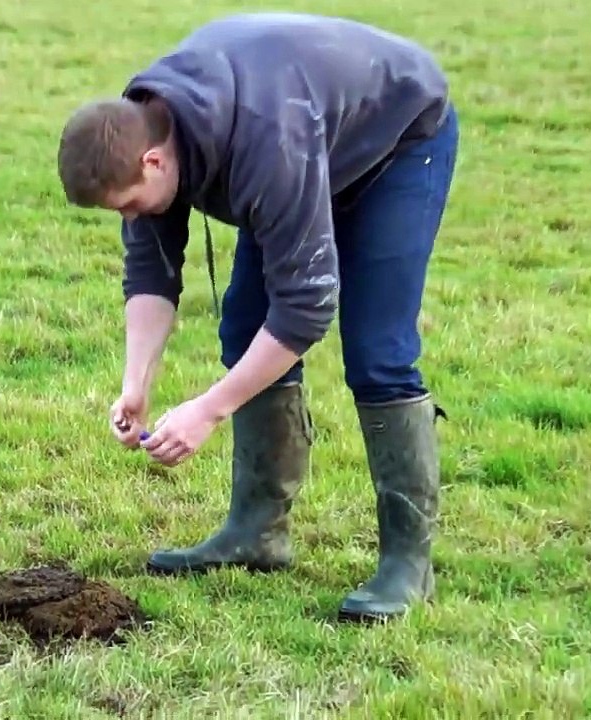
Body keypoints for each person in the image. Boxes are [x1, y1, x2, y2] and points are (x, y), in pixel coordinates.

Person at [56, 12, 457, 623]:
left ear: (155, 164)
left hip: (398, 140)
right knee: (245, 326)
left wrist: (208, 409)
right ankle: (257, 532)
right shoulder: (142, 136)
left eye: (132, 204)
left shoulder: (266, 144)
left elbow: (305, 307)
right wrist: (135, 384)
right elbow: (150, 275)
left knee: (377, 349)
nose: (132, 218)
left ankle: (408, 564)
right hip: (307, 131)